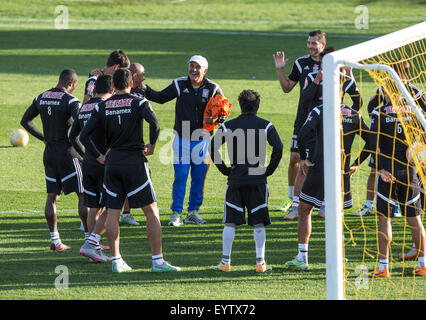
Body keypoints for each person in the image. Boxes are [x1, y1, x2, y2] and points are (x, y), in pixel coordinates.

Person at [80, 68, 180, 273]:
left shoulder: (103, 106)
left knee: (113, 213)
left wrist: (99, 155)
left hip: (112, 162)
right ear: (131, 83)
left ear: (113, 85)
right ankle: (157, 260)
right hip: (134, 162)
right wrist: (151, 145)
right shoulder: (139, 102)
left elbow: (83, 136)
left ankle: (117, 260)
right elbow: (155, 123)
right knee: (151, 211)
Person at [144, 55, 223, 226]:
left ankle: (193, 212)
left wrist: (218, 120)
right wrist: (143, 88)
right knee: (180, 176)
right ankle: (176, 213)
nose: (193, 70)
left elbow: (222, 113)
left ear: (205, 70)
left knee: (199, 177)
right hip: (181, 140)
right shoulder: (179, 84)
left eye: (197, 67)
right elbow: (160, 97)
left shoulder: (214, 88)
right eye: (191, 66)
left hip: (203, 141)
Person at [210, 89, 283, 272]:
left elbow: (212, 147)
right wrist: (269, 170)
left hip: (236, 180)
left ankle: (225, 262)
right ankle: (260, 263)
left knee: (230, 222)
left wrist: (225, 169)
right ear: (258, 106)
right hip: (258, 179)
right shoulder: (266, 125)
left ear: (240, 106)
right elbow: (279, 147)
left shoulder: (229, 126)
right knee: (258, 222)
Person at [20, 69, 87, 251]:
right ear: (71, 83)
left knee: (52, 197)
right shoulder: (71, 101)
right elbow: (78, 123)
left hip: (49, 152)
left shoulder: (41, 97)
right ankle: (90, 241)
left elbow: (25, 121)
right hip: (68, 153)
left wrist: (43, 138)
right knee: (82, 194)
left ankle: (55, 240)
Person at [368, 95, 426, 277]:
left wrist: (380, 170)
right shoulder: (415, 112)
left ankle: (383, 267)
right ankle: (423, 264)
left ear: (385, 92)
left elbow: (372, 144)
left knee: (385, 220)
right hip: (410, 173)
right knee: (415, 220)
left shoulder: (378, 113)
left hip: (388, 174)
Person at [273, 30, 326, 220]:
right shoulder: (301, 63)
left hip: (324, 120)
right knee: (296, 158)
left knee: (321, 160)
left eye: (314, 43)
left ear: (322, 44)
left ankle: (323, 202)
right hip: (303, 119)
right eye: (309, 43)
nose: (310, 46)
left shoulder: (332, 62)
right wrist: (280, 69)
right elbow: (287, 88)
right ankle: (293, 201)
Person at [69, 74, 114, 262]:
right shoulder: (105, 107)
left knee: (93, 207)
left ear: (94, 89)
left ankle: (91, 249)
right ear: (112, 91)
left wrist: (85, 154)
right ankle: (93, 245)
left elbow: (73, 137)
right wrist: (100, 156)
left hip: (87, 163)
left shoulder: (84, 107)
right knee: (113, 206)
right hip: (103, 162)